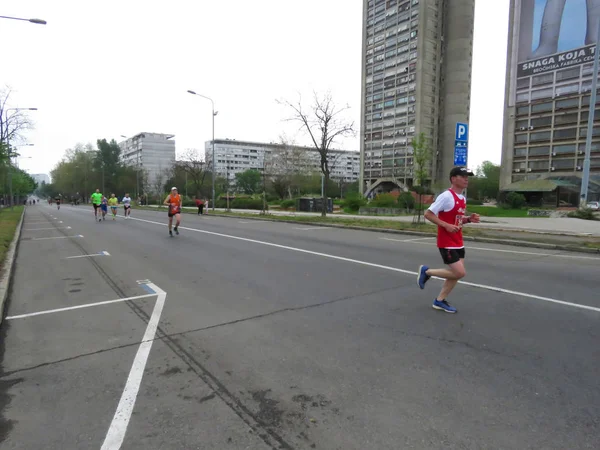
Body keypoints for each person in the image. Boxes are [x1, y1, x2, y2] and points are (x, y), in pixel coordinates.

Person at [416, 167, 481, 314]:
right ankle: (427, 272)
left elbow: (456, 221)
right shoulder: (446, 196)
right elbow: (428, 214)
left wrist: (469, 219)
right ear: (453, 179)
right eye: (463, 176)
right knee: (460, 273)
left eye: (467, 176)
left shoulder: (462, 198)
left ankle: (439, 301)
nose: (466, 179)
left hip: (458, 241)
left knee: (455, 274)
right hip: (446, 242)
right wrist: (446, 226)